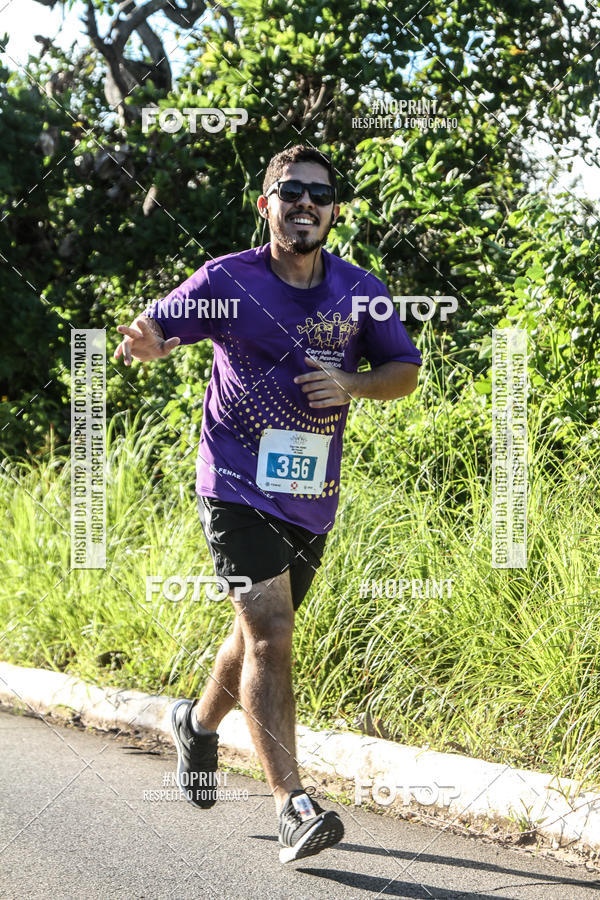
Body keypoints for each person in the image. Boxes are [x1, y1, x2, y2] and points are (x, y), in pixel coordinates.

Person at [114, 144, 422, 863]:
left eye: (320, 193)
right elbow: (159, 327)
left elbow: (404, 370)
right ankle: (293, 806)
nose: (305, 202)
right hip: (233, 484)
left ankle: (196, 724)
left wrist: (351, 383)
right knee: (272, 634)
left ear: (333, 212)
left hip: (310, 496)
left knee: (257, 636)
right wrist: (149, 342)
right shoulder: (229, 280)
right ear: (266, 206)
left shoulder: (361, 291)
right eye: (290, 191)